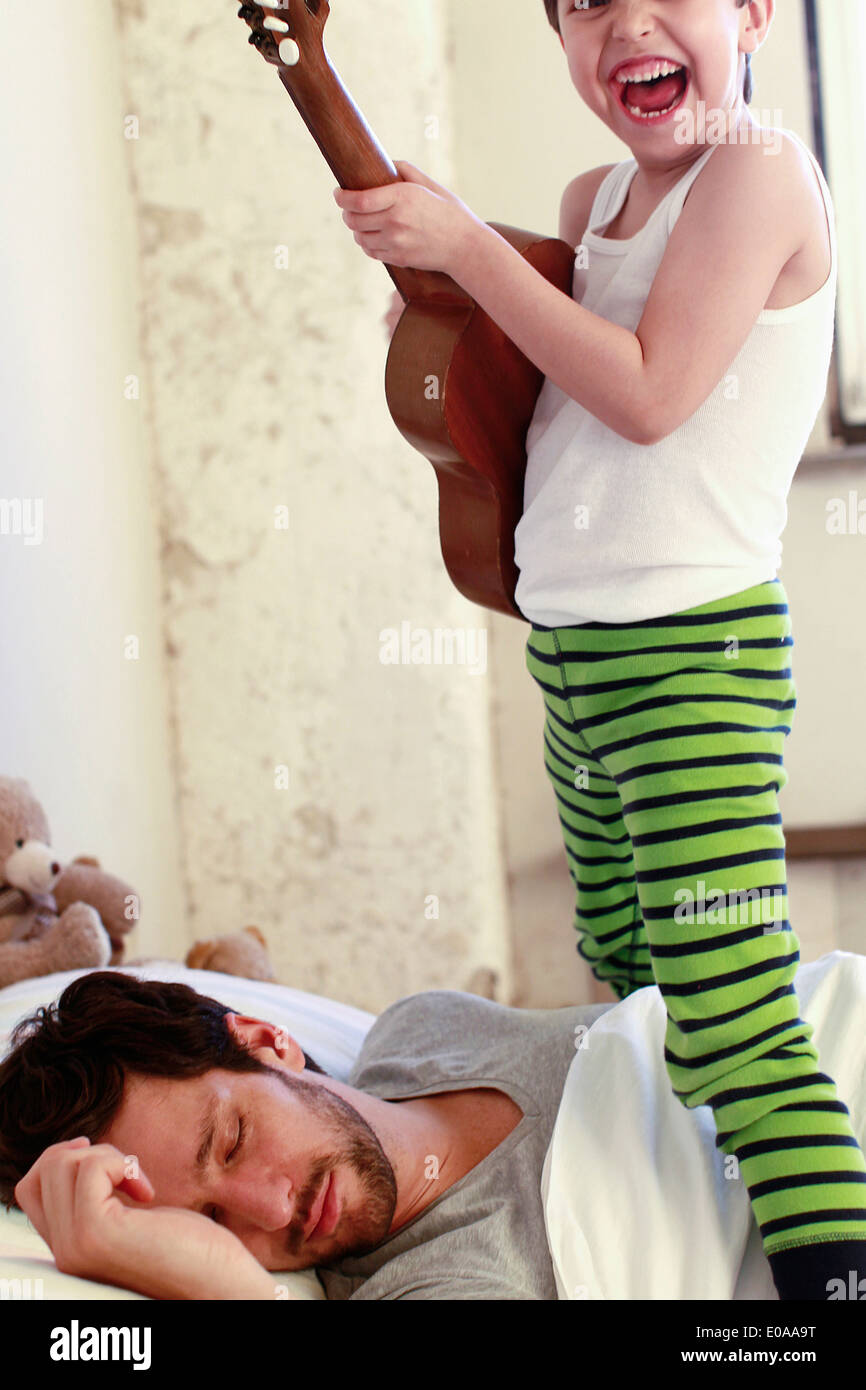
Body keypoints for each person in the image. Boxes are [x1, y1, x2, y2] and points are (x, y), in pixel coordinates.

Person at [353, 0, 866, 1301]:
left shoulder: (755, 173)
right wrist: (444, 279)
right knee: (631, 978)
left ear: (751, 11)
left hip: (690, 657)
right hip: (579, 661)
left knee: (730, 1006)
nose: (622, 21)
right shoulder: (594, 200)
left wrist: (465, 246)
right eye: (582, 3)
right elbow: (546, 389)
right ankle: (689, 1238)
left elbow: (643, 392)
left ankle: (833, 1283)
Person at [0, 970, 611, 1299]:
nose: (271, 1211)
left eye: (233, 1141)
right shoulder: (425, 1285)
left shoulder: (423, 1026)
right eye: (212, 1221)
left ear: (267, 1042)